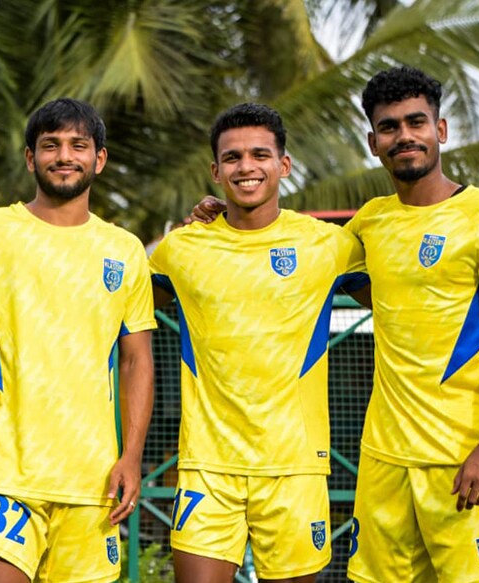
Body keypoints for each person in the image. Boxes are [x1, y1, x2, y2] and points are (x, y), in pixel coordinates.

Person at [0, 98, 156, 583]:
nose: (64, 156)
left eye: (79, 145)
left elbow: (137, 361)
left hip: (94, 482)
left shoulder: (125, 250)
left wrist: (132, 458)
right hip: (2, 477)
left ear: (99, 158)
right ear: (31, 158)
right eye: (50, 145)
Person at [342, 66, 479, 583]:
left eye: (417, 122)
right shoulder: (368, 221)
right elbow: (317, 265)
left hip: (465, 460)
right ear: (373, 142)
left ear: (442, 130)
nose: (404, 136)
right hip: (385, 461)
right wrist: (220, 213)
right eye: (389, 127)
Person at [150, 103, 369, 583]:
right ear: (215, 170)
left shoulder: (328, 245)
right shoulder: (183, 248)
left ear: (283, 166)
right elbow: (116, 299)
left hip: (294, 467)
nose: (246, 167)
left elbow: (415, 284)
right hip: (208, 466)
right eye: (232, 158)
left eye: (259, 155)